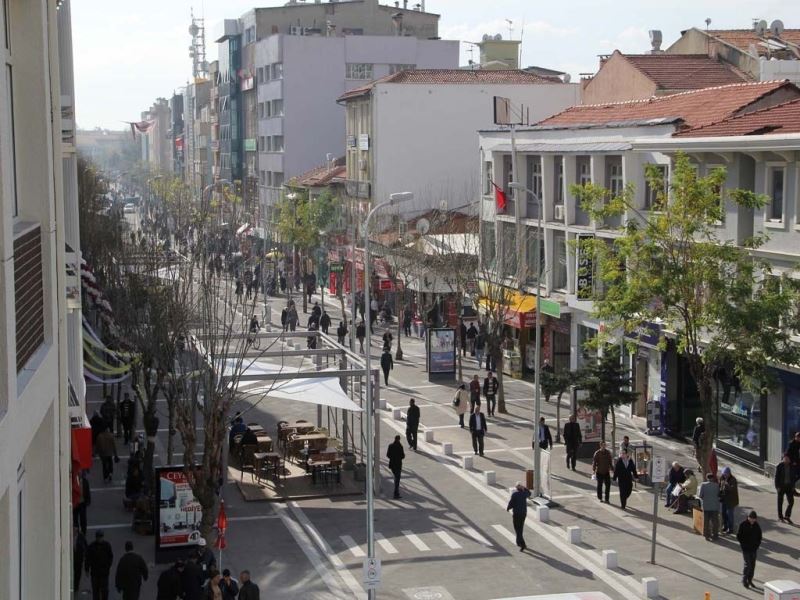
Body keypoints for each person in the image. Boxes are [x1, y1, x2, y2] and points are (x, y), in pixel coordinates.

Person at [736, 511, 762, 589]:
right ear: (748, 517)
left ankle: (750, 580)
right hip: (746, 549)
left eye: (754, 519)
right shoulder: (743, 524)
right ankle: (744, 580)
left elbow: (759, 537)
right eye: (751, 518)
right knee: (747, 564)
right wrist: (743, 545)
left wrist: (757, 545)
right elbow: (739, 536)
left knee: (753, 565)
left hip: (753, 549)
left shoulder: (756, 525)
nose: (752, 520)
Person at [85, 530, 114, 600]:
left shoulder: (107, 545)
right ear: (96, 537)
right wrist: (87, 569)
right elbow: (87, 559)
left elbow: (111, 556)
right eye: (98, 537)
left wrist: (108, 566)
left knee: (104, 590)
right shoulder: (91, 546)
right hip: (95, 572)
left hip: (104, 573)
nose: (100, 539)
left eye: (101, 537)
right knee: (95, 590)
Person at [507, 482, 532, 551]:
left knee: (517, 529)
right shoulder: (524, 494)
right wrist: (524, 488)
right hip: (523, 514)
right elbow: (530, 493)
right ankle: (518, 542)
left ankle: (523, 544)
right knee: (520, 528)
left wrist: (508, 508)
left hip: (517, 514)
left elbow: (511, 503)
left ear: (516, 488)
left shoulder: (515, 494)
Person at [698, 473, 721, 541]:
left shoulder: (703, 485)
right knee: (715, 521)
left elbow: (700, 495)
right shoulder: (716, 485)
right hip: (715, 506)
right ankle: (715, 535)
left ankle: (706, 534)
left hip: (706, 506)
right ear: (713, 478)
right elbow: (718, 494)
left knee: (706, 521)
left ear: (707, 478)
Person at [775, 453, 795, 524]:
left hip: (789, 487)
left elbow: (793, 478)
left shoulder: (792, 466)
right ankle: (780, 517)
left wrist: (793, 487)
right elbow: (776, 477)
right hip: (781, 487)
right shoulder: (779, 466)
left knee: (791, 502)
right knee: (780, 502)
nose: (786, 460)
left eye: (787, 459)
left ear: (789, 460)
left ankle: (787, 516)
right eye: (785, 458)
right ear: (783, 459)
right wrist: (777, 487)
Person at [719, 466, 740, 534]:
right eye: (724, 474)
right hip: (724, 499)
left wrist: (727, 485)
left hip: (731, 500)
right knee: (724, 514)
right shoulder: (722, 478)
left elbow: (733, 489)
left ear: (729, 473)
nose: (725, 475)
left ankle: (730, 529)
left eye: (726, 474)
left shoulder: (733, 480)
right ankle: (725, 526)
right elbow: (720, 486)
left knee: (730, 515)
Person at [387, 434, 405, 499]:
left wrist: (392, 457)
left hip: (392, 464)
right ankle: (396, 494)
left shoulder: (390, 446)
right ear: (399, 439)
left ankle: (396, 493)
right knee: (397, 479)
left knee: (396, 477)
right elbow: (403, 456)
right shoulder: (400, 446)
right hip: (398, 465)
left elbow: (388, 455)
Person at [73, 468, 91, 534]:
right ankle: (76, 530)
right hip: (75, 503)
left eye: (80, 472)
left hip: (82, 503)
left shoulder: (85, 481)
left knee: (83, 519)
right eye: (78, 472)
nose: (79, 474)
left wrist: (88, 501)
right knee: (75, 518)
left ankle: (83, 531)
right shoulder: (74, 481)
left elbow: (87, 491)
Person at [74, 527, 87, 594]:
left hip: (79, 558)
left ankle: (76, 586)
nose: (74, 530)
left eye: (75, 529)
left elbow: (85, 545)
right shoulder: (69, 536)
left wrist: (84, 555)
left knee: (78, 573)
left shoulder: (81, 536)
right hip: (73, 558)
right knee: (74, 572)